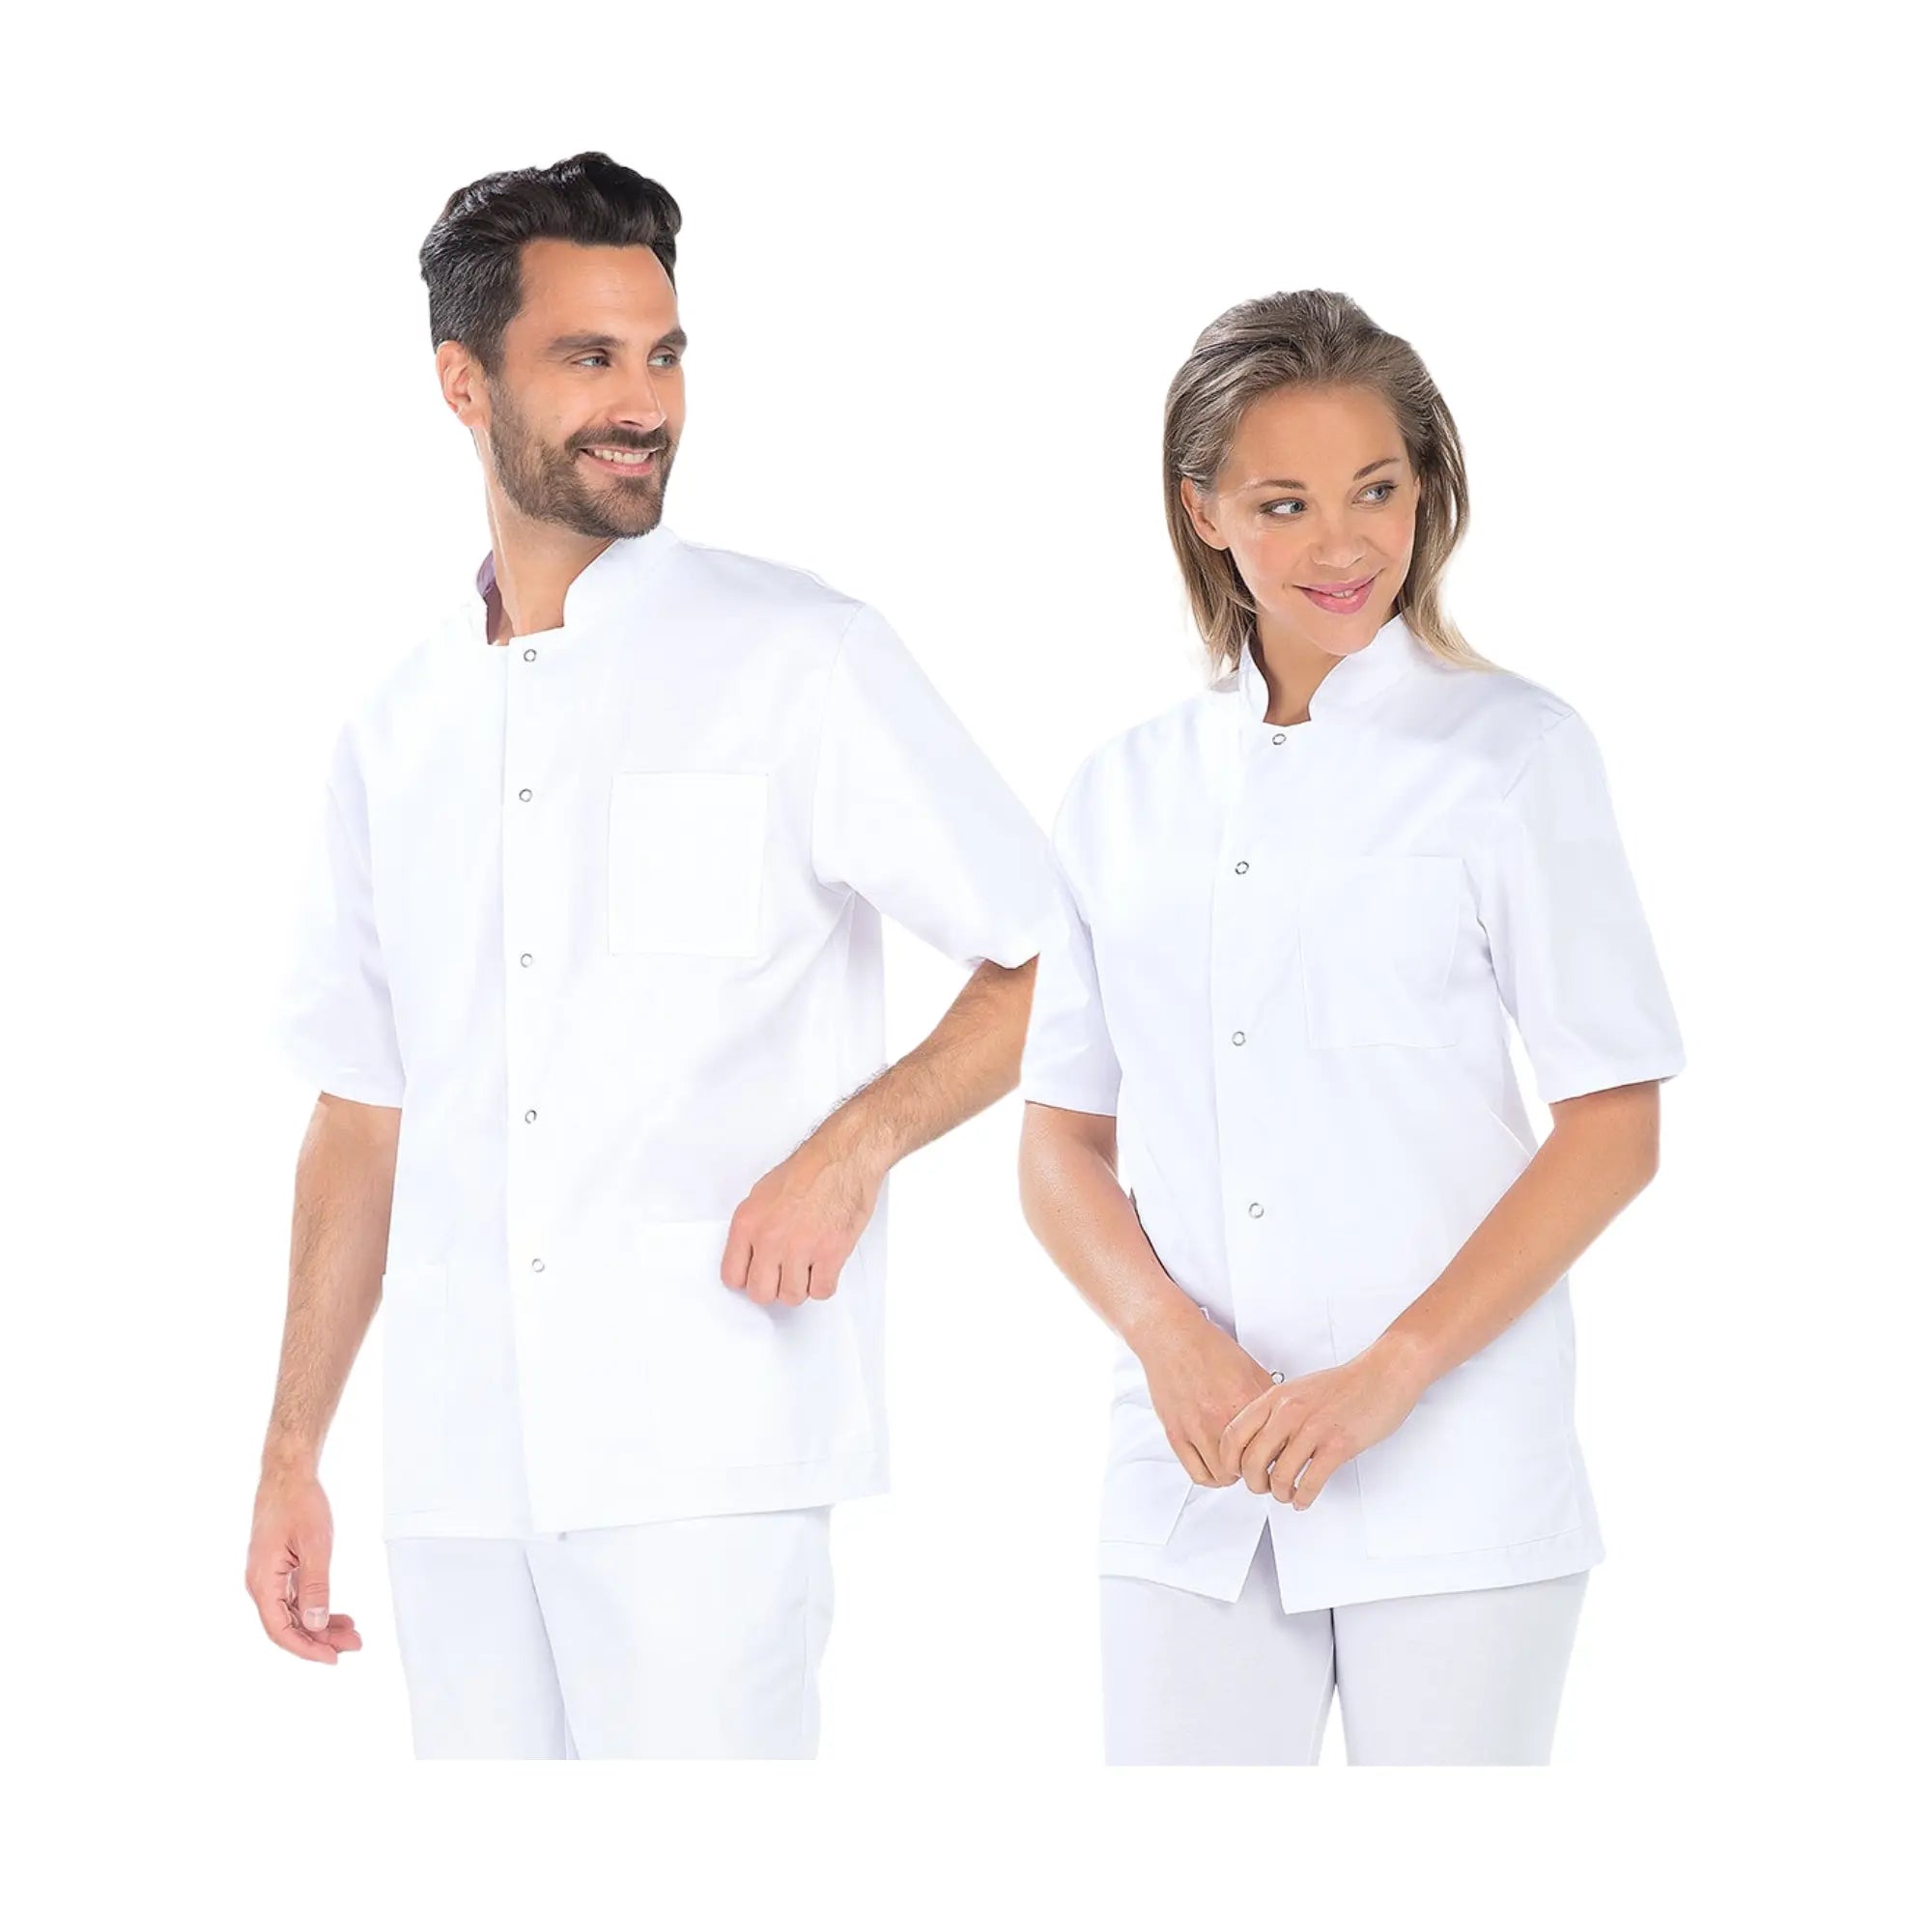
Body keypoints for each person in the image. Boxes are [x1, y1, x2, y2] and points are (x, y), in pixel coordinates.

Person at [244, 153, 1052, 1759]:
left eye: (665, 354)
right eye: (589, 357)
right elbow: (361, 1108)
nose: (644, 404)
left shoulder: (800, 656)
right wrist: (290, 1452)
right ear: (463, 382)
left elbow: (1048, 953)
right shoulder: (397, 730)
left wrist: (853, 1149)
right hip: (460, 1471)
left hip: (706, 1449)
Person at [1016, 289, 1686, 1766]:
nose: (1344, 545)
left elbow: (1614, 1121)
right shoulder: (1123, 791)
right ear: (1202, 511)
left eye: (1377, 489)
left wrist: (1394, 1370)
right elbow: (1058, 1138)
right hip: (1193, 1475)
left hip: (1454, 1472)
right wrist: (1168, 1343)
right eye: (1287, 503)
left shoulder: (1513, 754)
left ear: (1427, 488)